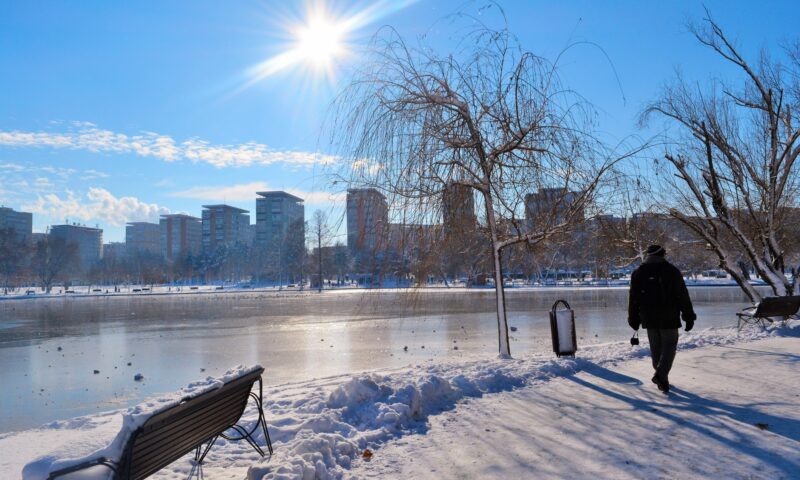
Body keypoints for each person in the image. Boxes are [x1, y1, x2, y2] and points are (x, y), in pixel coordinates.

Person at [628, 244, 696, 393]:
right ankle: (660, 375)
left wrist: (633, 318)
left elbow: (633, 298)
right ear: (663, 254)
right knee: (669, 347)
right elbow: (682, 295)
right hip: (669, 316)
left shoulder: (638, 273)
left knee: (656, 349)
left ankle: (662, 380)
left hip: (648, 317)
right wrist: (688, 316)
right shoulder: (672, 271)